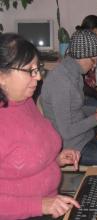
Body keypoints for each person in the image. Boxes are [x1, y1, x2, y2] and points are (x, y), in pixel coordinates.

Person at [0, 33, 81, 220]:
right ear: (2, 76)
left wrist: (56, 160)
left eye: (38, 69)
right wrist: (40, 205)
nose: (38, 77)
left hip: (50, 205)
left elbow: (23, 159)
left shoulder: (25, 101)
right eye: (30, 70)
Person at [40, 30, 97, 167]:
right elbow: (66, 132)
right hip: (72, 147)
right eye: (94, 60)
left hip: (85, 137)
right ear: (81, 56)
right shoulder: (61, 82)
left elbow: (75, 109)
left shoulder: (74, 73)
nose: (95, 65)